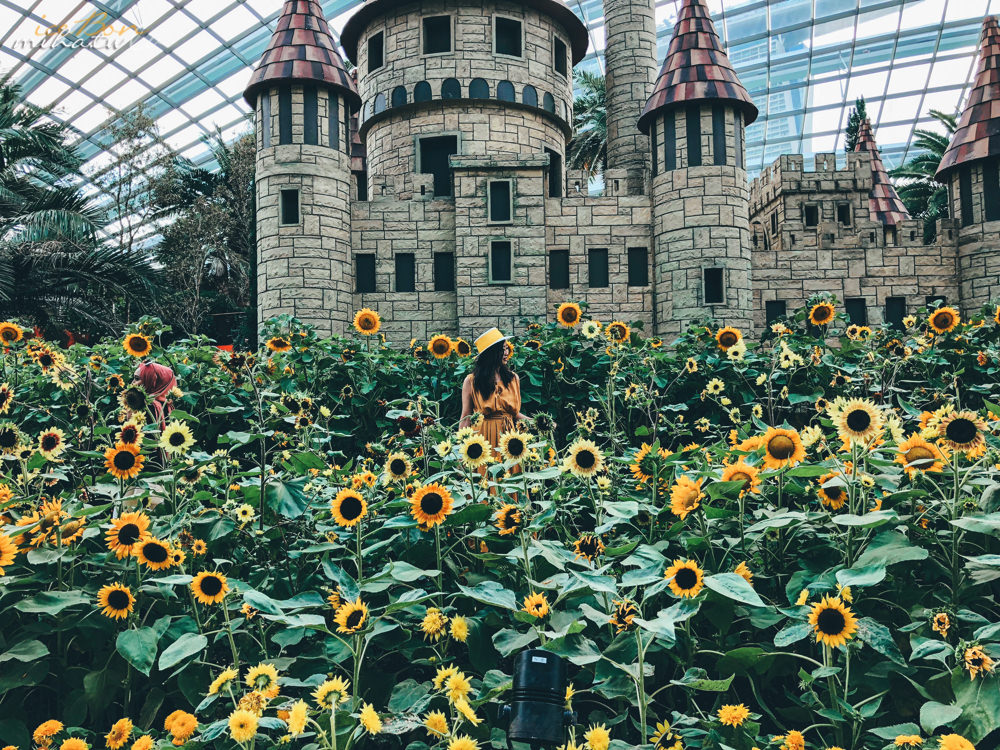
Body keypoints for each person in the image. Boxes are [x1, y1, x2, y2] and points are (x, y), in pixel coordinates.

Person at [459, 328, 529, 453]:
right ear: (492, 353)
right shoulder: (471, 381)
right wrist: (460, 450)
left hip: (510, 439)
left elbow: (514, 414)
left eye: (507, 348)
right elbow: (466, 417)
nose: (506, 352)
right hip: (482, 439)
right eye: (502, 349)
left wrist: (538, 422)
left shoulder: (513, 379)